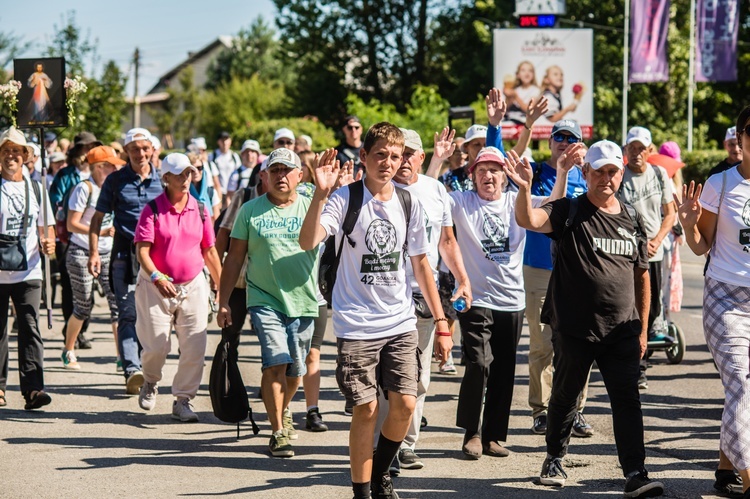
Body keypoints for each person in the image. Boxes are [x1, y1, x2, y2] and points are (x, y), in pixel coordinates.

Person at [299, 123, 453, 499]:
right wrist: (320, 195)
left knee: (404, 404)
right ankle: (361, 491)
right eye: (380, 154)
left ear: (404, 160)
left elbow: (421, 265)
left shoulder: (408, 202)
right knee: (366, 409)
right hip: (356, 324)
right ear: (364, 156)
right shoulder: (344, 199)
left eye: (395, 156)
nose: (387, 162)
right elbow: (308, 241)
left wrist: (443, 323)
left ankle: (382, 473)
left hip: (400, 321)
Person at [513, 140, 664, 498]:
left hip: (622, 330)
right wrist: (523, 189)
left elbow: (642, 274)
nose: (606, 178)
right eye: (599, 171)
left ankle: (635, 471)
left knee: (626, 399)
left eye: (613, 171)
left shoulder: (631, 217)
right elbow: (529, 220)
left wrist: (642, 328)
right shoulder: (569, 210)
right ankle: (554, 456)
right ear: (586, 173)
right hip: (576, 329)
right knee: (565, 395)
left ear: (621, 172)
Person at [450, 146, 568, 460]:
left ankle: (492, 436)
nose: (488, 176)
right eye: (482, 170)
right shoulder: (461, 202)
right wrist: (436, 161)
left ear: (505, 177)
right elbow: (427, 196)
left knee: (503, 369)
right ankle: (471, 432)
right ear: (472, 176)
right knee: (478, 363)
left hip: (511, 301)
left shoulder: (517, 201)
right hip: (476, 298)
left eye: (495, 170)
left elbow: (554, 206)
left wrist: (564, 172)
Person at [374, 128, 471, 474]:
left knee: (421, 379)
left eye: (410, 153)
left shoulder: (435, 189)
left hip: (426, 295)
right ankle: (385, 447)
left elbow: (447, 241)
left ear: (419, 157)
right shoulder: (381, 191)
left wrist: (462, 278)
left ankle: (407, 444)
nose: (402, 161)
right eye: (397, 153)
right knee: (391, 380)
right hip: (387, 297)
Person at [219, 148, 319, 456]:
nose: (280, 176)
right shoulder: (250, 210)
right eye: (274, 171)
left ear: (300, 176)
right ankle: (277, 432)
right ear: (264, 176)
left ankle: (283, 408)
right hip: (263, 298)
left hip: (303, 300)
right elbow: (234, 258)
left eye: (287, 170)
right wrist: (222, 301)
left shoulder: (311, 207)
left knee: (295, 370)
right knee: (276, 360)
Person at [677, 105, 750, 497]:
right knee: (739, 381)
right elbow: (701, 245)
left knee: (744, 391)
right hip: (726, 299)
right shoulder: (720, 183)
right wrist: (689, 225)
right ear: (740, 138)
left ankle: (725, 469)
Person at [132, 153, 220, 421]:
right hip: (155, 285)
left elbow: (210, 251)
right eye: (179, 175)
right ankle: (150, 380)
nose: (185, 179)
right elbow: (142, 252)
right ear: (166, 178)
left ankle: (183, 400)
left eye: (188, 174)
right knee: (157, 346)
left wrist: (221, 287)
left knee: (195, 346)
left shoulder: (201, 209)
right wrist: (158, 276)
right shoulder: (153, 210)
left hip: (193, 284)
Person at [522, 120, 592, 438]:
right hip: (539, 267)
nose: (564, 142)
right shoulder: (536, 172)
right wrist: (563, 172)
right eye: (559, 137)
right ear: (549, 142)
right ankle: (541, 410)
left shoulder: (589, 175)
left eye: (571, 138)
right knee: (542, 343)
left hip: (577, 270)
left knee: (578, 344)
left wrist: (588, 164)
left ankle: (575, 410)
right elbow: (550, 213)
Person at [89, 128, 163, 395]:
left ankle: (148, 367)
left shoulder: (164, 180)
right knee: (128, 313)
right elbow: (97, 219)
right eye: (134, 149)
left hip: (157, 256)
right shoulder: (115, 181)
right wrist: (94, 252)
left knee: (153, 316)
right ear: (126, 151)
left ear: (152, 150)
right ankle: (132, 370)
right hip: (124, 254)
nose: (140, 154)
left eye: (145, 148)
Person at [0, 127, 56, 410]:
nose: (12, 155)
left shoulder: (36, 188)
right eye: (6, 150)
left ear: (25, 157)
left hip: (30, 270)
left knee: (30, 328)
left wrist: (50, 245)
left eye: (17, 151)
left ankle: (33, 389)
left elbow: (48, 229)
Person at [620, 126, 676, 391]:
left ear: (649, 150)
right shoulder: (620, 176)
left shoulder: (659, 174)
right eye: (632, 147)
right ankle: (635, 367)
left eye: (641, 148)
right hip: (627, 254)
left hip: (653, 253)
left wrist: (657, 240)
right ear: (626, 150)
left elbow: (670, 214)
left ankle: (643, 357)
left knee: (650, 310)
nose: (637, 153)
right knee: (629, 308)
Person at [61, 146, 123, 370]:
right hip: (80, 252)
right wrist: (99, 232)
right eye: (111, 165)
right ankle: (69, 350)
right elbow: (71, 224)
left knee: (117, 305)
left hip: (108, 252)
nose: (116, 168)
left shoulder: (112, 188)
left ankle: (122, 358)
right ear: (99, 168)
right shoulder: (84, 188)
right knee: (83, 306)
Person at [50, 131, 103, 351]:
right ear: (77, 151)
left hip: (92, 235)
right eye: (85, 147)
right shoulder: (66, 174)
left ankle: (82, 329)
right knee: (70, 285)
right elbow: (54, 200)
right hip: (68, 235)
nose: (88, 151)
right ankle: (70, 328)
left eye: (92, 147)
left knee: (89, 287)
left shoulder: (100, 173)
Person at [209, 131, 242, 207]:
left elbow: (239, 173)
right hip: (218, 192)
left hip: (232, 192)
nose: (224, 142)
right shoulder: (213, 156)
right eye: (222, 140)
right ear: (218, 142)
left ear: (230, 141)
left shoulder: (234, 156)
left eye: (226, 139)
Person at [504, 61, 541, 125]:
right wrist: (508, 97)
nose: (527, 73)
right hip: (510, 120)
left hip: (524, 122)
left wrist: (516, 97)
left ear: (533, 75)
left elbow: (528, 110)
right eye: (523, 70)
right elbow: (506, 109)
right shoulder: (515, 89)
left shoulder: (536, 90)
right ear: (518, 75)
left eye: (530, 70)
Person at [187, 152, 221, 221]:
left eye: (199, 168)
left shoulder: (211, 192)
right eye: (192, 169)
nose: (196, 172)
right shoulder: (182, 194)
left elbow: (216, 220)